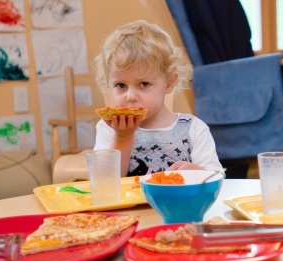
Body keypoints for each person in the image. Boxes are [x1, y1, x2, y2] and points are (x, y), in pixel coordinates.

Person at [92, 20, 223, 176]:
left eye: (144, 84)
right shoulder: (108, 128)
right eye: (121, 85)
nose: (130, 96)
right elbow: (104, 183)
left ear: (169, 82)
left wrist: (197, 173)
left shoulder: (193, 129)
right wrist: (122, 136)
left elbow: (216, 178)